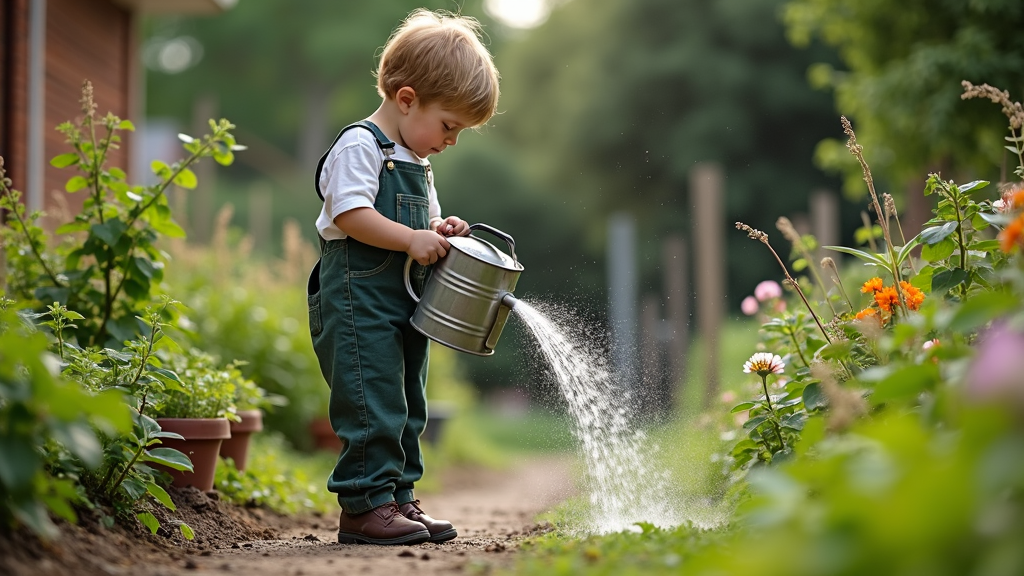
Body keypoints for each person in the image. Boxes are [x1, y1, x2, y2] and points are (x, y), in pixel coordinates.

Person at [307, 9, 500, 546]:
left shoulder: (415, 159)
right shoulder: (360, 147)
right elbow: (348, 214)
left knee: (409, 400)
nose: (451, 141)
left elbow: (423, 221)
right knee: (371, 399)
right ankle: (364, 505)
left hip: (404, 300)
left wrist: (441, 228)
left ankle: (399, 497)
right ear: (407, 98)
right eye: (449, 126)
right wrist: (412, 239)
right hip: (357, 298)